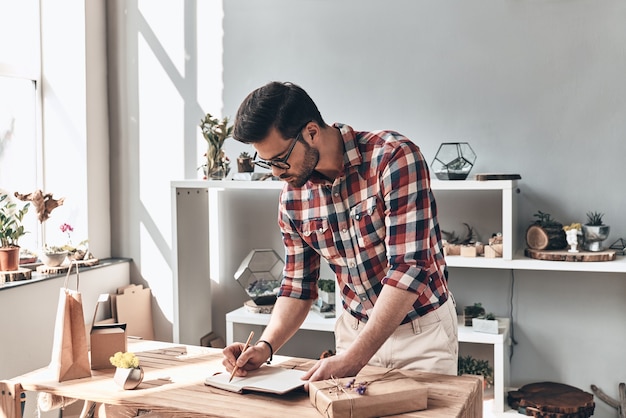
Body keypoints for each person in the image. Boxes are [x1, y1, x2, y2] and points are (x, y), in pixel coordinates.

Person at [222, 81, 457, 385]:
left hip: (421, 336)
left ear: (311, 132)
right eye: (267, 162)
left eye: (280, 159)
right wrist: (265, 347)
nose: (277, 172)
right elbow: (297, 286)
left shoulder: (393, 158)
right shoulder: (292, 197)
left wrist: (354, 358)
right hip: (353, 332)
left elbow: (409, 269)